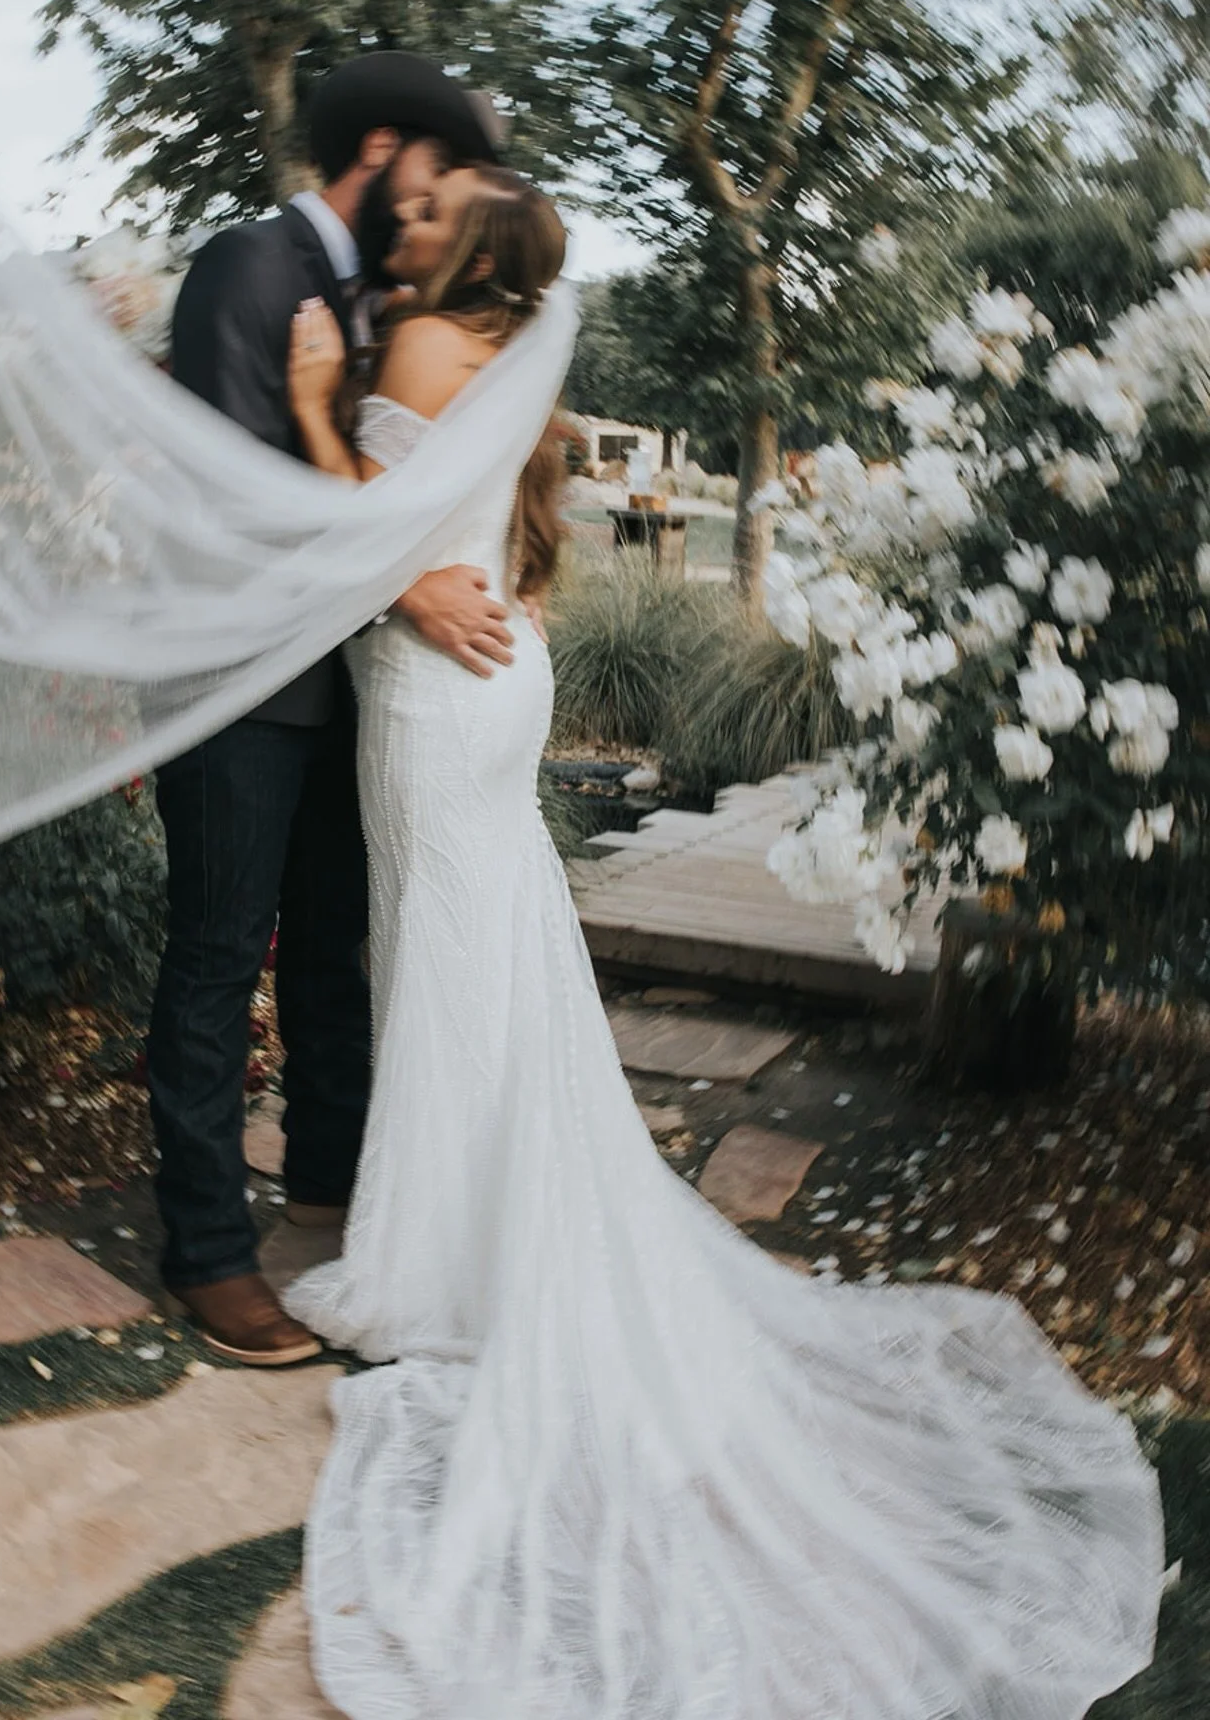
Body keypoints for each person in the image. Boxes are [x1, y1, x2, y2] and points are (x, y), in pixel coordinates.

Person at [280, 166, 1165, 1717]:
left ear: (474, 250)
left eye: (438, 210)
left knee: (446, 960)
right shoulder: (500, 354)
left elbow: (368, 531)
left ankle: (441, 1265)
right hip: (491, 682)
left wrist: (306, 406)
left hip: (434, 694)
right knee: (483, 956)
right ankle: (470, 1234)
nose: (411, 217)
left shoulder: (421, 347)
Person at [147, 54, 514, 1367]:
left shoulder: (393, 296)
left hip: (351, 686)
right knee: (217, 959)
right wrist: (410, 584)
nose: (440, 194)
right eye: (436, 166)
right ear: (380, 148)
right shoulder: (247, 267)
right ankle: (206, 1252)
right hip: (239, 684)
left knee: (329, 955)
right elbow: (236, 497)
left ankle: (330, 1187)